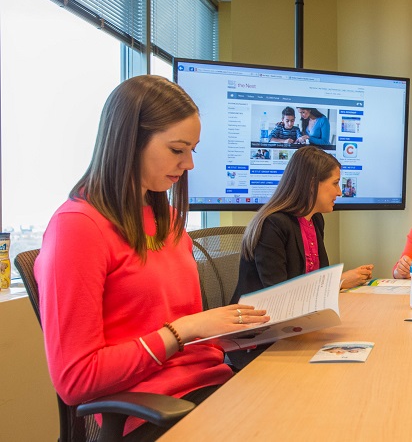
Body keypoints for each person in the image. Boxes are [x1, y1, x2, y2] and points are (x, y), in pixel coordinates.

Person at [33, 75, 270, 440]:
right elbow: (75, 380)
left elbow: (180, 333)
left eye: (193, 150)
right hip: (153, 412)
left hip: (210, 386)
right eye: (177, 150)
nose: (189, 164)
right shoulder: (77, 229)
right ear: (129, 142)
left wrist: (236, 331)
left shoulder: (168, 220)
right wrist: (186, 329)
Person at [232, 147, 374, 366]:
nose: (340, 192)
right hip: (259, 340)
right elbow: (281, 297)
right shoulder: (273, 225)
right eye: (335, 183)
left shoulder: (315, 220)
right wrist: (340, 281)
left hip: (295, 330)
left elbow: (314, 282)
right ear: (311, 184)